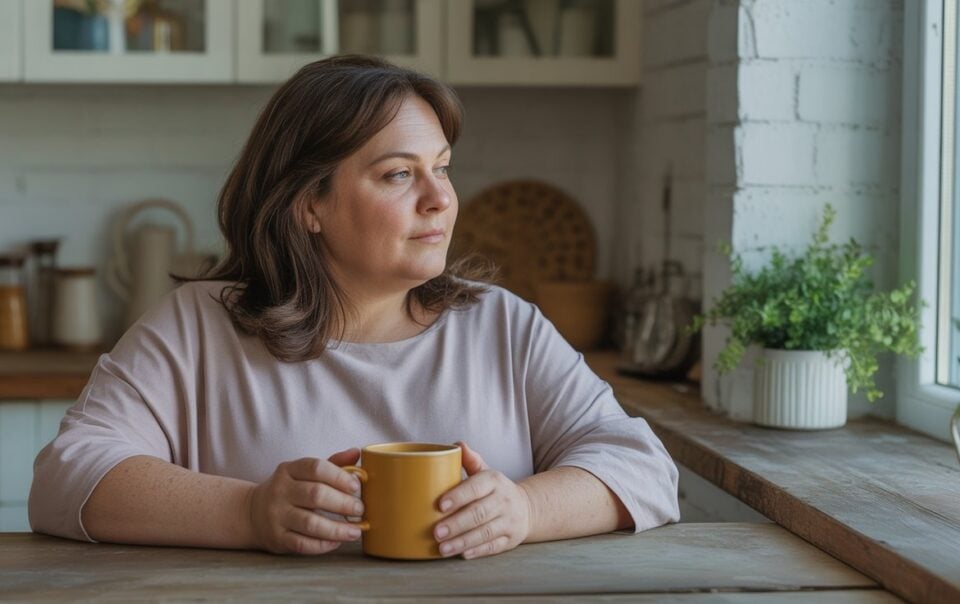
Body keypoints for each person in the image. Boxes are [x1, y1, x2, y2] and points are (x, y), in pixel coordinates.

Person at [29, 55, 679, 559]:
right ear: (308, 204)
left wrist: (525, 511)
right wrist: (249, 513)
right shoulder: (195, 327)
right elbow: (65, 479)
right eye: (399, 174)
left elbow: (642, 467)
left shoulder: (504, 325)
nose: (440, 199)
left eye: (442, 168)